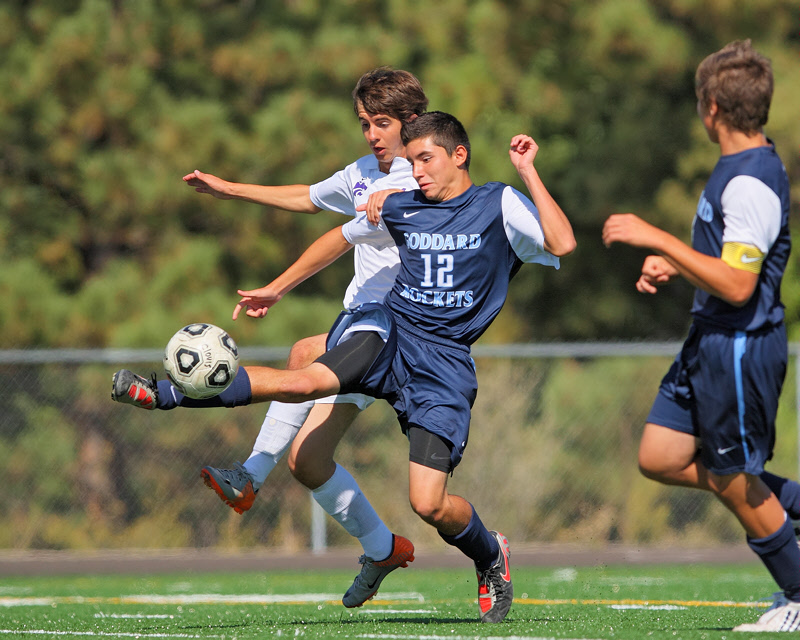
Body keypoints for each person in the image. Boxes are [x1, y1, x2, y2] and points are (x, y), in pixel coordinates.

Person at [116, 111, 576, 622]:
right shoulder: (402, 204)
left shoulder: (498, 203)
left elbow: (563, 243)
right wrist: (284, 280)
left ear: (459, 156)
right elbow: (339, 235)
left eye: (425, 159)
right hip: (390, 330)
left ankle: (491, 555)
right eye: (410, 160)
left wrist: (529, 172)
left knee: (429, 504)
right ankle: (169, 393)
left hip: (443, 363)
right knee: (305, 376)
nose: (416, 171)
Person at [113, 67, 426, 608]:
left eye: (381, 124)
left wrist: (278, 287)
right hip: (364, 326)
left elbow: (335, 240)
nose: (372, 135)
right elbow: (308, 197)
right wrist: (229, 189)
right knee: (308, 463)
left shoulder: (417, 183)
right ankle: (383, 548)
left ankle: (196, 421)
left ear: (412, 122)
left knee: (306, 353)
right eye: (363, 124)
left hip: (401, 333)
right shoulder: (361, 173)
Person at [602, 40, 799, 632]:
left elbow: (740, 287)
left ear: (711, 107)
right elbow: (729, 263)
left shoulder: (750, 182)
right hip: (707, 339)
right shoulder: (737, 166)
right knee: (660, 456)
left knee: (733, 479)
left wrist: (658, 240)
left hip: (739, 347)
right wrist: (682, 264)